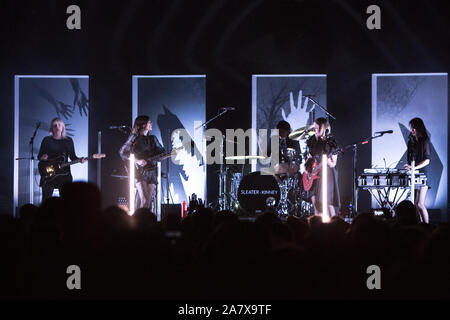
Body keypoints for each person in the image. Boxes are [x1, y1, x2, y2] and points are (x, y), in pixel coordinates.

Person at [120, 115, 166, 212]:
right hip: (139, 172)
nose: (151, 124)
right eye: (149, 122)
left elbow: (161, 154)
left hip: (152, 172)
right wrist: (138, 161)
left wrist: (171, 153)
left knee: (148, 203)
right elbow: (122, 152)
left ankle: (143, 222)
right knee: (144, 200)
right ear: (143, 125)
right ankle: (139, 223)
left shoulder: (153, 139)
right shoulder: (134, 138)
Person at [38, 117, 86, 201]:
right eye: (55, 125)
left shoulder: (68, 140)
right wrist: (42, 157)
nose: (57, 127)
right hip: (49, 173)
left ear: (62, 127)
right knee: (46, 200)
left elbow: (72, 156)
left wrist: (80, 160)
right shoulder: (47, 140)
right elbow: (39, 156)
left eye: (59, 125)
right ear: (51, 128)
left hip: (64, 174)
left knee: (67, 200)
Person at [305, 117, 340, 218]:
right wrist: (306, 167)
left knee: (327, 200)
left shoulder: (331, 142)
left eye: (316, 128)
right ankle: (317, 222)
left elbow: (333, 163)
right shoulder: (312, 140)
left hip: (327, 173)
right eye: (314, 128)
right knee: (313, 198)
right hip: (314, 172)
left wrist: (327, 161)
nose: (314, 131)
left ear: (323, 128)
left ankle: (334, 223)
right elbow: (310, 157)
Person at [404, 117, 430, 223]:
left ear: (419, 128)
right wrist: (409, 167)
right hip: (413, 175)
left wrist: (413, 167)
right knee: (415, 205)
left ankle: (427, 226)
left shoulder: (425, 140)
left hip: (423, 174)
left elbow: (427, 160)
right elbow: (410, 159)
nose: (412, 130)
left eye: (413, 128)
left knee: (420, 204)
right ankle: (419, 225)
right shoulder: (411, 142)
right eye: (411, 128)